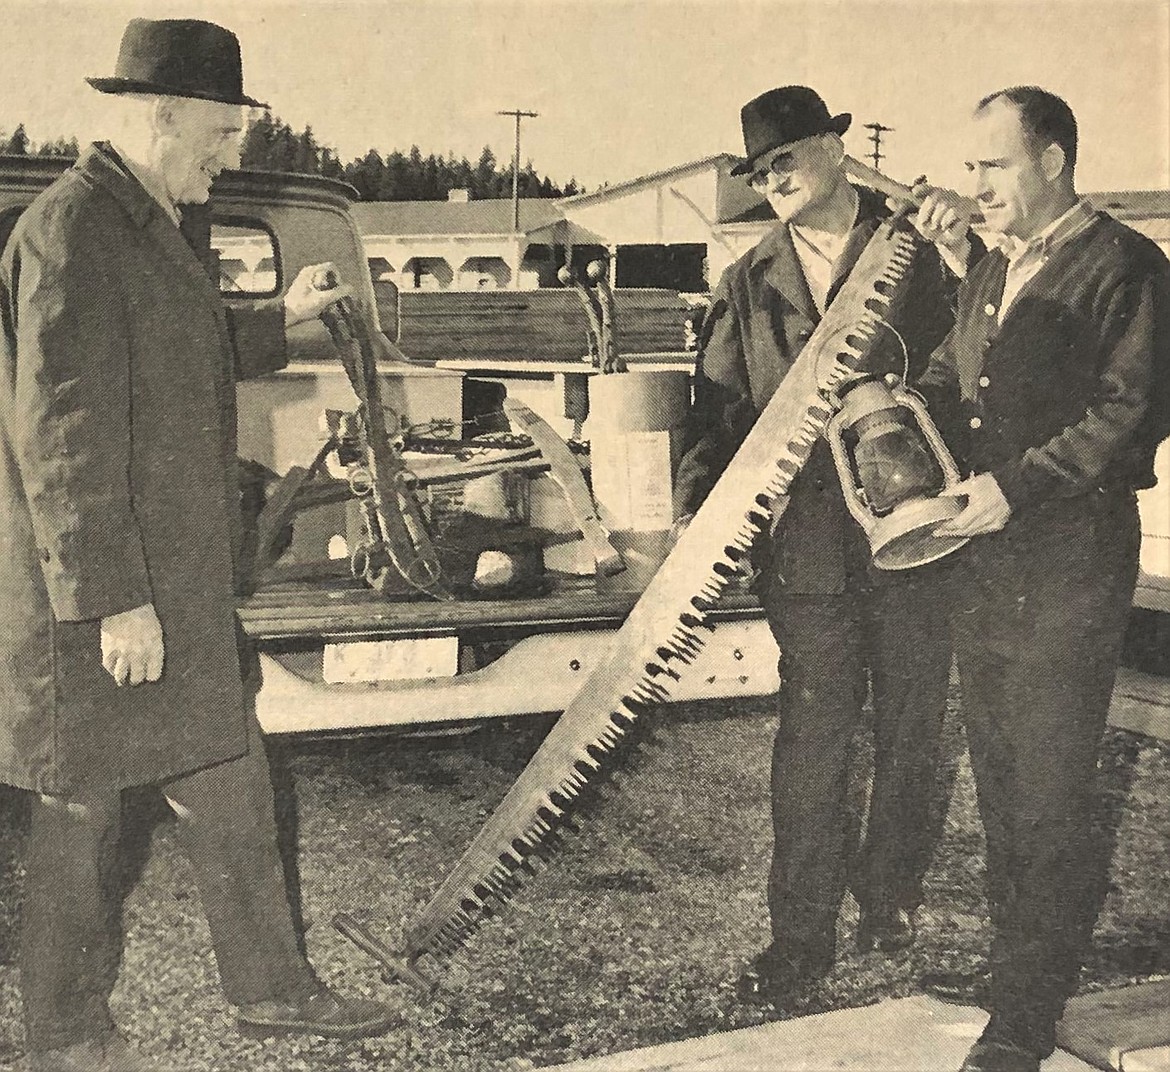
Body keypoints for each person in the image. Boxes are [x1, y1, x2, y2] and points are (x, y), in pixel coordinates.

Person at [0, 19, 396, 1072]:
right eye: (221, 134)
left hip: (172, 579)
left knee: (228, 774)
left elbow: (190, 343)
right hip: (101, 591)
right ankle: (63, 1033)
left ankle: (272, 988)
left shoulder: (152, 219)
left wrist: (283, 312)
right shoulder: (71, 233)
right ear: (162, 116)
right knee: (80, 810)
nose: (229, 154)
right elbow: (64, 438)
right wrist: (115, 600)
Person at [674, 85, 970, 1008]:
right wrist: (701, 520)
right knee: (813, 738)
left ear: (837, 151)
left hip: (912, 529)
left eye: (789, 160)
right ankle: (798, 937)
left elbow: (975, 357)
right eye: (761, 173)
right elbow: (714, 415)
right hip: (804, 548)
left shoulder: (917, 247)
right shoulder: (748, 280)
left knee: (914, 727)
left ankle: (888, 897)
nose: (776, 182)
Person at [909, 86, 1170, 1072]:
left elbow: (1127, 416)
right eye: (970, 166)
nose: (974, 185)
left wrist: (1014, 489)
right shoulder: (990, 272)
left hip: (1069, 566)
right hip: (985, 567)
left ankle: (1022, 1018)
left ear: (1053, 160)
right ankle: (1018, 982)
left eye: (993, 166)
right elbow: (953, 380)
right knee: (1003, 782)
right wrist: (893, 404)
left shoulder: (1129, 268)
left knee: (1049, 793)